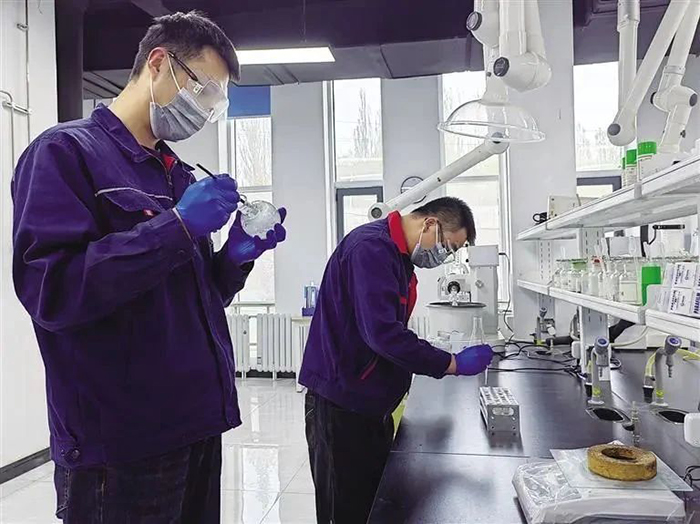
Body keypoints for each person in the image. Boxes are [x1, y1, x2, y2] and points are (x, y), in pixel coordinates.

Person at [11, 11, 286, 524]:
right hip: (121, 446)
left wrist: (232, 261)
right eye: (202, 90)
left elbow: (189, 299)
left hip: (196, 425)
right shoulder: (64, 154)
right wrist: (176, 226)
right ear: (158, 63)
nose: (204, 111)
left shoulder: (176, 173)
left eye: (215, 102)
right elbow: (54, 292)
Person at [299, 197, 494, 524]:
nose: (443, 257)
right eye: (447, 247)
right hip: (341, 405)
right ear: (430, 224)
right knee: (345, 511)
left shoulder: (397, 258)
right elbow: (384, 335)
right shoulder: (371, 249)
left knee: (372, 506)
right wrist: (451, 363)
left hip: (367, 403)